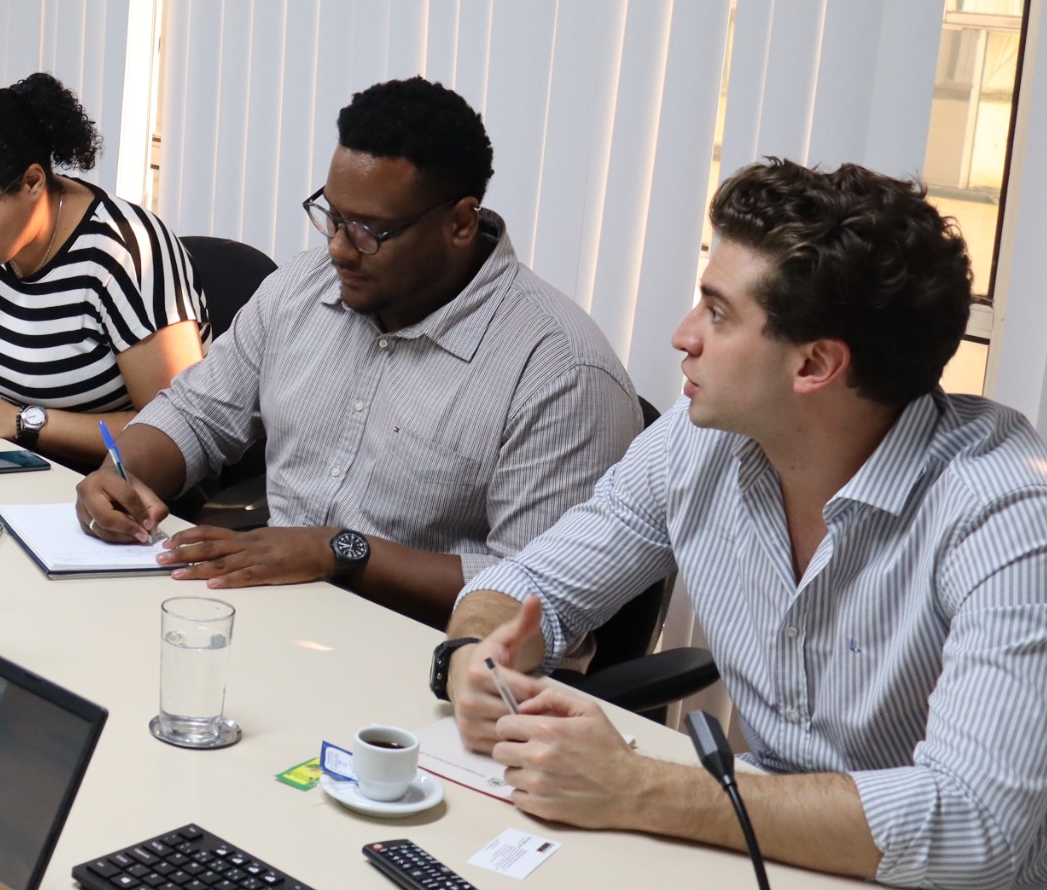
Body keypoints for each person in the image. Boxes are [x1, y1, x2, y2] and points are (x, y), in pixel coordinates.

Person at [441, 160, 1047, 890]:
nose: (683, 335)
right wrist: (477, 654)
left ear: (814, 365)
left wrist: (641, 787)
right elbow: (530, 583)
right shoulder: (701, 441)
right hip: (761, 864)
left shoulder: (1013, 515)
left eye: (718, 312)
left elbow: (972, 825)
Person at [76, 76, 641, 628]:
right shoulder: (301, 289)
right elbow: (195, 415)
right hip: (279, 615)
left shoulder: (561, 371)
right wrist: (121, 474)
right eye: (334, 217)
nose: (339, 250)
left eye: (370, 231)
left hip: (433, 654)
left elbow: (533, 592)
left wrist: (340, 552)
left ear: (460, 223)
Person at [0, 73, 204, 471]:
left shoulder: (125, 254)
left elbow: (174, 430)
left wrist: (20, 421)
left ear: (32, 182)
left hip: (97, 485)